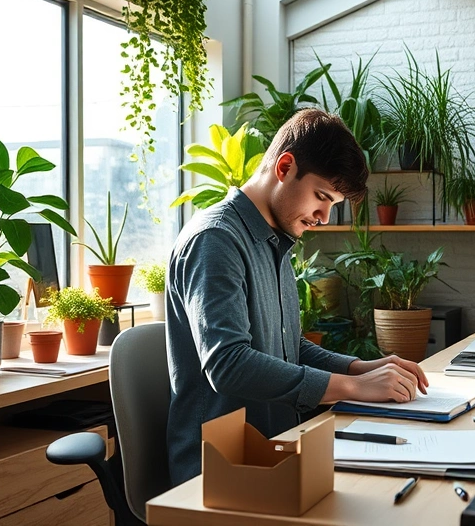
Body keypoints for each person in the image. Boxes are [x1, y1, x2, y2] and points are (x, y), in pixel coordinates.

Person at [165, 109, 430, 486]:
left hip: (279, 449)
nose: (323, 216)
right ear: (285, 167)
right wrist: (354, 388)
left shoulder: (274, 240)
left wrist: (361, 368)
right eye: (321, 197)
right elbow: (228, 364)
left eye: (332, 205)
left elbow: (287, 348)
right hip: (219, 472)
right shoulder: (215, 240)